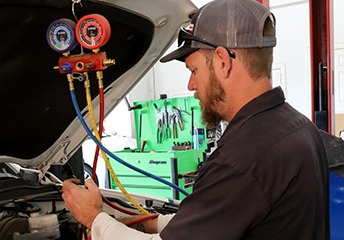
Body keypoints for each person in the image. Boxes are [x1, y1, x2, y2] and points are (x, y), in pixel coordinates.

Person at [62, 0, 330, 239]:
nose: (191, 85)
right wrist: (152, 224)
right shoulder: (299, 127)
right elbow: (221, 219)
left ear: (223, 61)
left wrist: (94, 219)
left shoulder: (242, 159)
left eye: (194, 70)